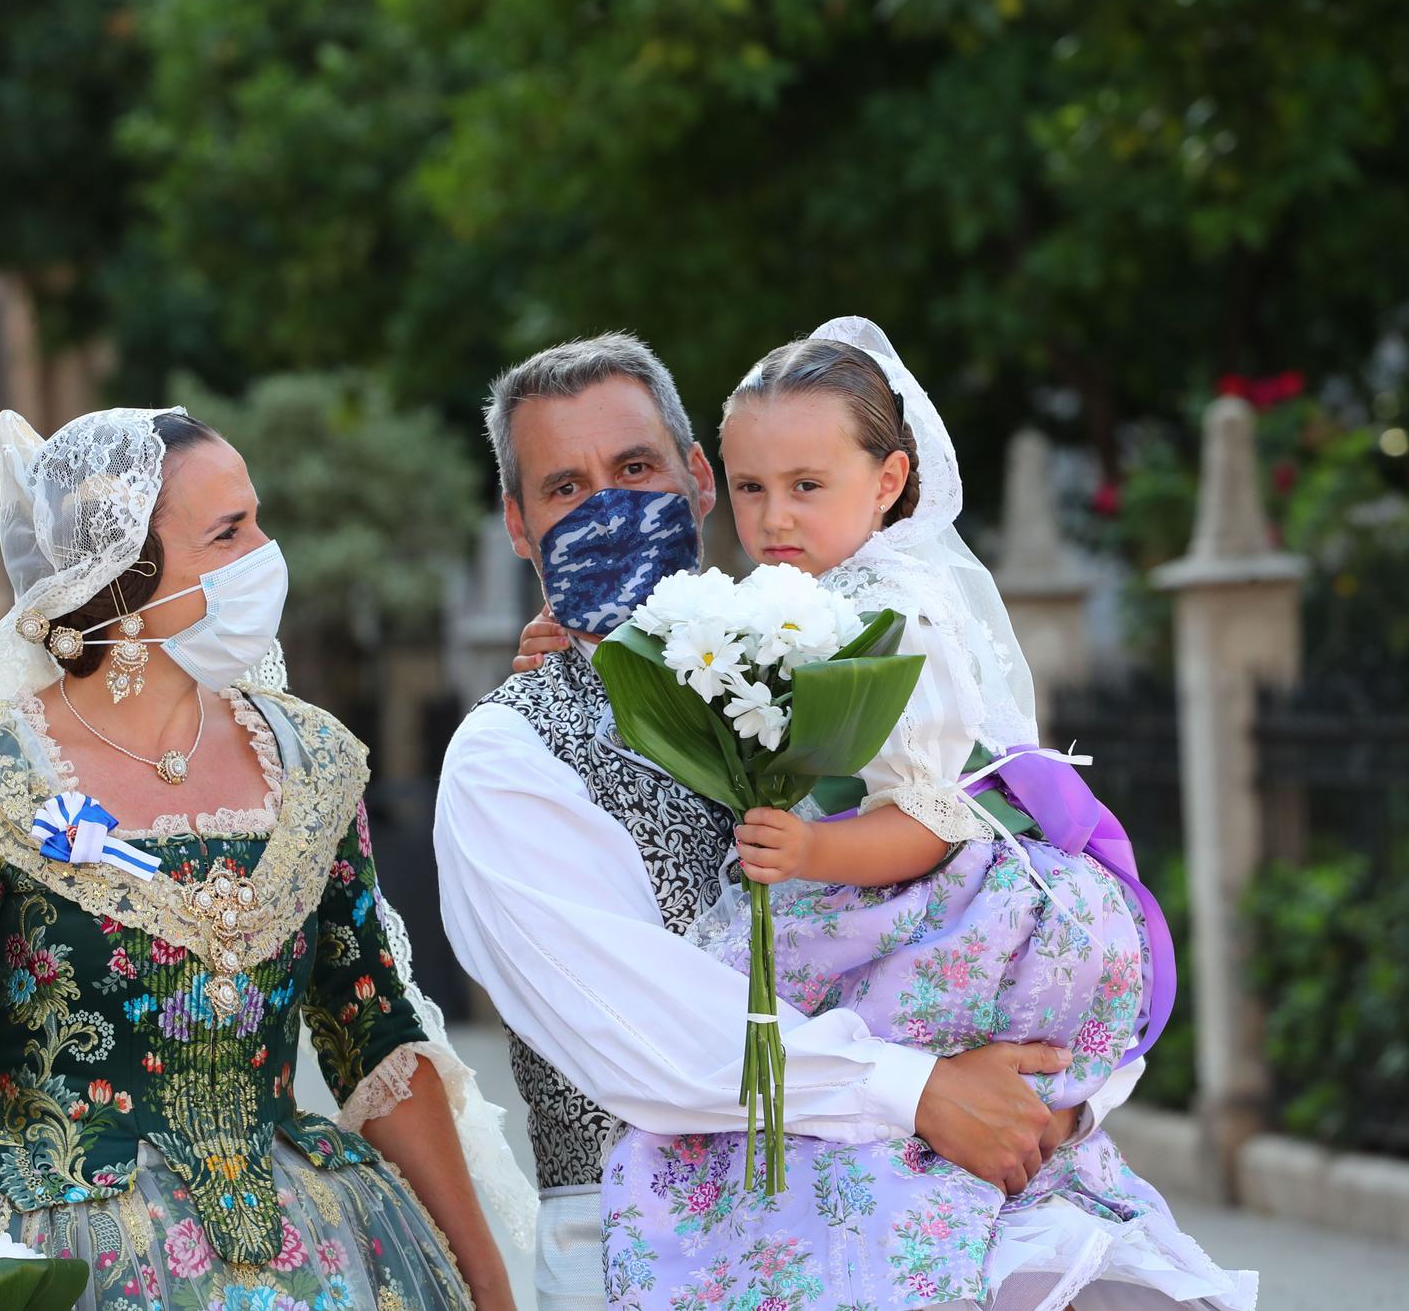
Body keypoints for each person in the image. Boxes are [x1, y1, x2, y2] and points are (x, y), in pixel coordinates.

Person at [436, 333, 1131, 1311]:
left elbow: (1010, 885)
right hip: (634, 1244)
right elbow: (643, 1035)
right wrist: (921, 1092)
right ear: (518, 523)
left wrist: (1059, 1101)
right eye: (564, 488)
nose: (607, 508)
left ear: (697, 481)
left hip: (936, 1198)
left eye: (635, 469)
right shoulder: (508, 758)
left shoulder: (815, 649)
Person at [574, 320, 1257, 1309]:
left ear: (888, 480)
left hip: (918, 888)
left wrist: (808, 844)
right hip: (845, 880)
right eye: (752, 487)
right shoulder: (784, 593)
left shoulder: (900, 608)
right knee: (753, 1072)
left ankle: (890, 1227)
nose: (773, 516)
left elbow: (935, 817)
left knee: (850, 1086)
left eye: (806, 486)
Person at [0, 406, 531, 1311]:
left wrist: (487, 1284)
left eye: (257, 520)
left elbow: (375, 1037)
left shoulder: (312, 760)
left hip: (324, 1248)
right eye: (230, 533)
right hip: (71, 1255)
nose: (266, 553)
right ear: (125, 577)